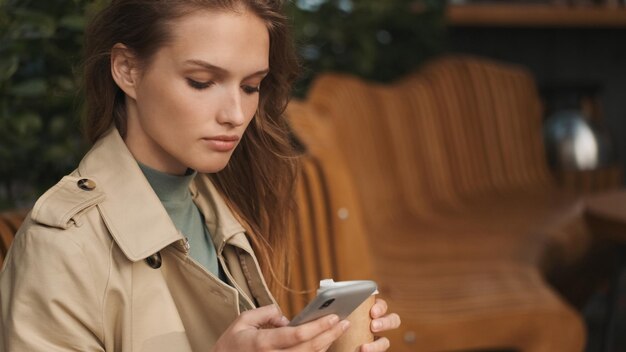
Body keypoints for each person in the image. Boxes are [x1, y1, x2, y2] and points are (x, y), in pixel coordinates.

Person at [0, 0, 401, 351]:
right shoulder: (59, 247)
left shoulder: (222, 205)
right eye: (202, 82)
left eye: (250, 86)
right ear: (126, 70)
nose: (236, 114)